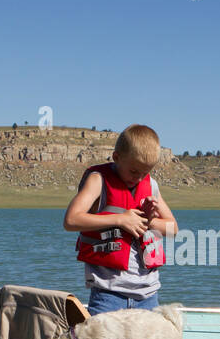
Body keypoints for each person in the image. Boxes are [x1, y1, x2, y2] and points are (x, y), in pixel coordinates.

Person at [63, 125, 178, 315]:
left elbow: (173, 228)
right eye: (134, 172)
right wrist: (120, 220)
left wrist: (149, 222)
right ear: (116, 157)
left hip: (148, 296)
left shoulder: (151, 186)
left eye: (145, 172)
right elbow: (71, 220)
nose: (139, 177)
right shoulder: (98, 180)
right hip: (108, 295)